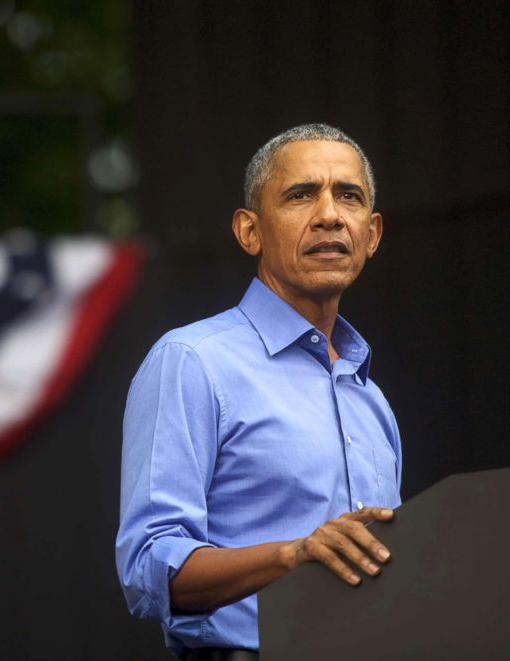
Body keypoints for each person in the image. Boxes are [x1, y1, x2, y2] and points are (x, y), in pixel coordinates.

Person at [115, 124, 402, 660]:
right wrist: (291, 555)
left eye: (349, 196)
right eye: (300, 195)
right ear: (250, 231)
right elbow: (148, 567)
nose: (329, 215)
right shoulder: (193, 361)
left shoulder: (372, 399)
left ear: (372, 233)